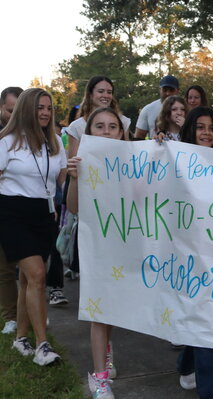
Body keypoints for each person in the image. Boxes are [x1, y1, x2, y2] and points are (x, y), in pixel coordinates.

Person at [0, 88, 66, 366]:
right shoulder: (7, 142)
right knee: (38, 275)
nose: (45, 113)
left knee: (29, 279)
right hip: (12, 213)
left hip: (44, 213)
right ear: (26, 109)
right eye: (40, 107)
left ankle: (20, 339)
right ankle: (43, 346)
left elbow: (60, 180)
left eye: (49, 108)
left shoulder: (55, 142)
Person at [66, 107, 127, 398]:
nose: (106, 131)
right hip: (97, 248)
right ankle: (100, 378)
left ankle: (106, 349)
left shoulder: (134, 163)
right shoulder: (81, 163)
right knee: (98, 310)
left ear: (121, 132)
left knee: (112, 307)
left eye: (112, 126)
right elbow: (74, 207)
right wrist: (76, 178)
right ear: (89, 133)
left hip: (124, 246)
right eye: (99, 126)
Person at [175, 106, 213, 399]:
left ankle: (186, 363)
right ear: (190, 130)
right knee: (206, 319)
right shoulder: (175, 160)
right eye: (200, 127)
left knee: (206, 317)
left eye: (210, 127)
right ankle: (212, 393)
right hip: (185, 254)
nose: (206, 133)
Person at [0, 86, 22, 336]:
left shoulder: (35, 133)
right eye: (9, 110)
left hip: (28, 209)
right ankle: (11, 316)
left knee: (31, 270)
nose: (14, 115)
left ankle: (30, 312)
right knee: (5, 266)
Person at [65, 76, 132, 158]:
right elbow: (73, 160)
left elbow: (127, 154)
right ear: (90, 94)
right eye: (101, 91)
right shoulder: (76, 127)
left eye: (109, 92)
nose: (105, 95)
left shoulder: (123, 121)